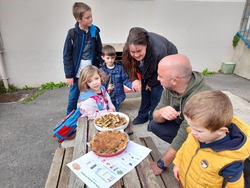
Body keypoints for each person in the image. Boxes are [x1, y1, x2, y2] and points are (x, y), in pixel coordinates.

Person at [149, 54, 212, 175]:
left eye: (160, 76)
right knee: (154, 125)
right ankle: (186, 151)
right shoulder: (170, 88)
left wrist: (162, 164)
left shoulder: (200, 98)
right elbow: (155, 115)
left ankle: (196, 154)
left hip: (208, 139)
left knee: (185, 140)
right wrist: (162, 112)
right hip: (189, 129)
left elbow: (183, 135)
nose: (157, 79)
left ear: (174, 80)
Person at [173, 90, 250, 187]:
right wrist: (178, 163)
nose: (192, 131)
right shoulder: (196, 135)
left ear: (221, 131)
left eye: (198, 130)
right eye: (190, 126)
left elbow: (235, 185)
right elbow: (185, 148)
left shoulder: (229, 160)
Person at [122, 27, 178, 125]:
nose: (136, 55)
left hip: (165, 62)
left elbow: (159, 72)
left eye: (139, 51)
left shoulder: (158, 52)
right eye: (133, 52)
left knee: (156, 93)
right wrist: (134, 79)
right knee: (145, 91)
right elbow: (127, 64)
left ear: (146, 46)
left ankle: (153, 119)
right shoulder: (128, 48)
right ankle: (142, 116)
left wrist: (151, 83)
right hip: (151, 62)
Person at [63, 2, 103, 115]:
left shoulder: (95, 31)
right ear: (78, 19)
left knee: (94, 96)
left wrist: (100, 67)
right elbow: (67, 55)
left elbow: (99, 50)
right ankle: (69, 121)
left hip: (91, 72)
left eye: (91, 16)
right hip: (77, 74)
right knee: (73, 98)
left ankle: (95, 116)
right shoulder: (72, 34)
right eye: (87, 17)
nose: (91, 19)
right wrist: (69, 75)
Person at [100, 45, 132, 112]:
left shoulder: (120, 68)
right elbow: (100, 85)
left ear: (115, 57)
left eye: (112, 58)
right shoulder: (101, 71)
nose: (110, 60)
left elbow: (125, 80)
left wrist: (132, 86)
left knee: (116, 112)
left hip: (117, 96)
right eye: (108, 58)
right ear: (103, 57)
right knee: (107, 112)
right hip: (106, 97)